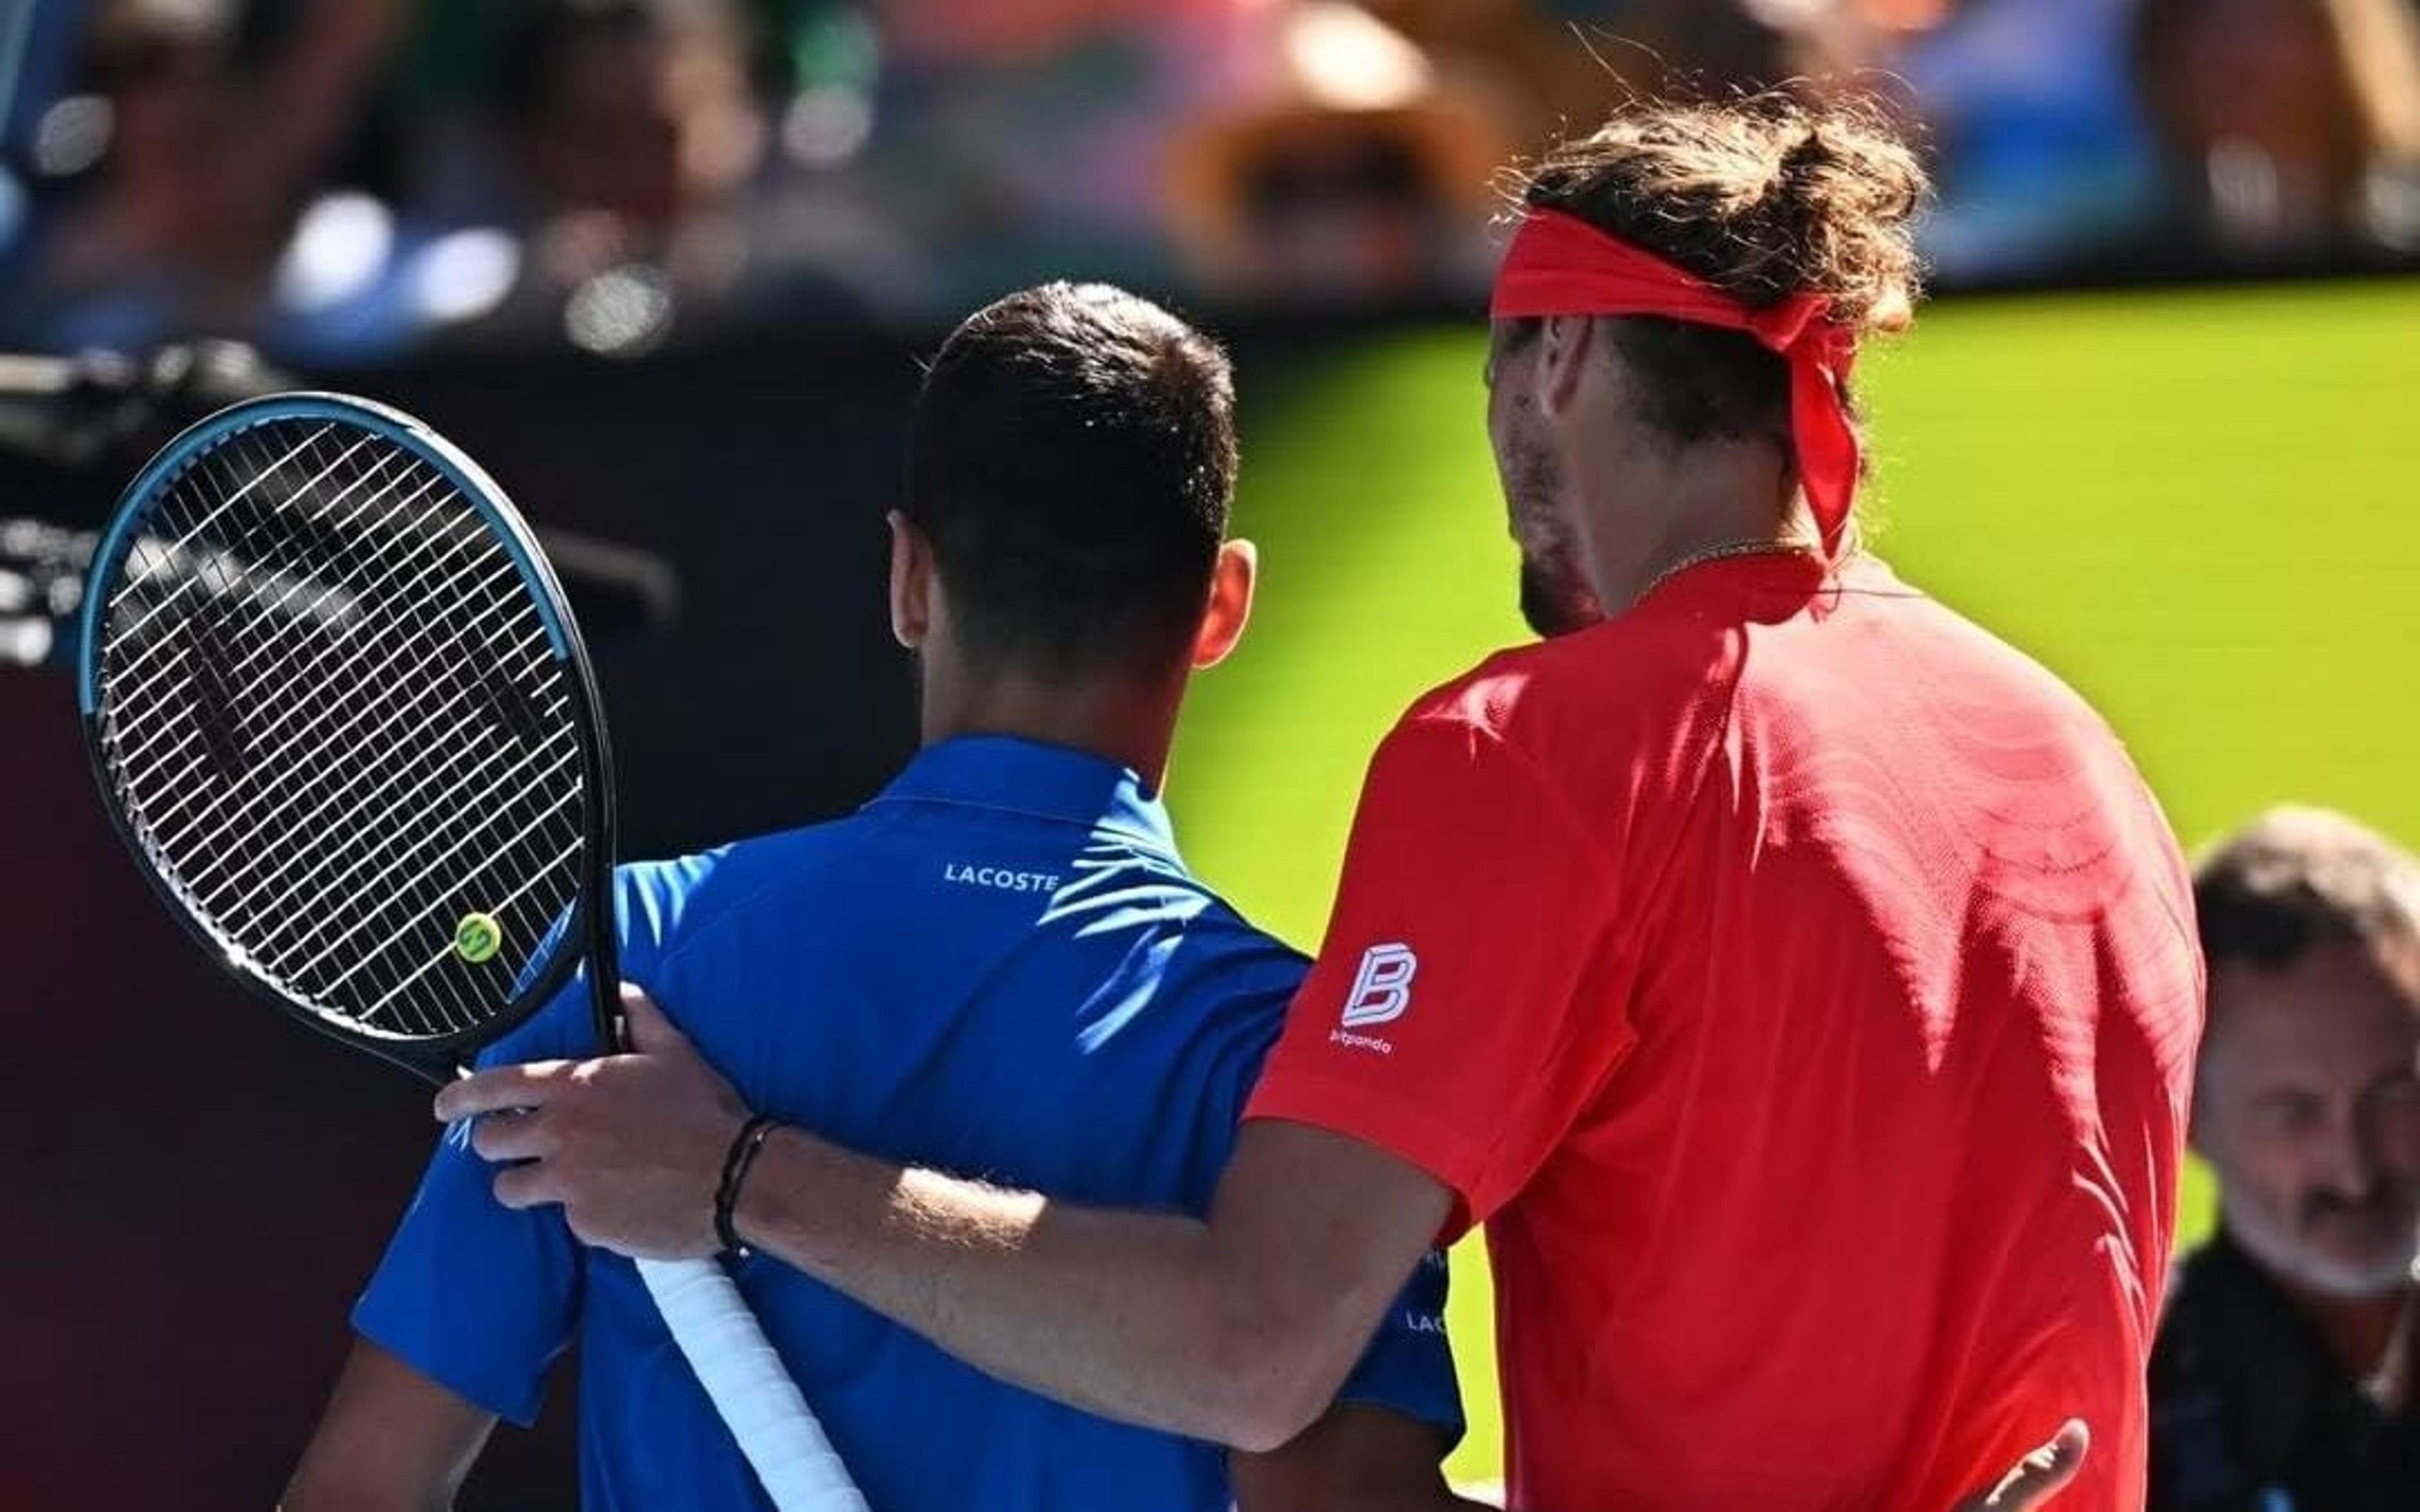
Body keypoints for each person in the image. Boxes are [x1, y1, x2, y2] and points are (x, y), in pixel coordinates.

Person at [444, 91, 2203, 1511]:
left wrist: (735, 1173)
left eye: (1500, 369)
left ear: (1565, 367)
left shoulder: (1531, 747)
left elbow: (1252, 1353)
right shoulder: (2086, 764)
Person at [283, 282, 1469, 1511]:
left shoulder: (627, 965)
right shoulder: (1305, 1056)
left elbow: (360, 1491)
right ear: (1223, 605)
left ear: (908, 577)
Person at [2149, 806, 2420, 1511]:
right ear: (2188, 1119)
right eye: (2293, 1112)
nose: (2353, 1168)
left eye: (2395, 1092)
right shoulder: (2113, 1411)